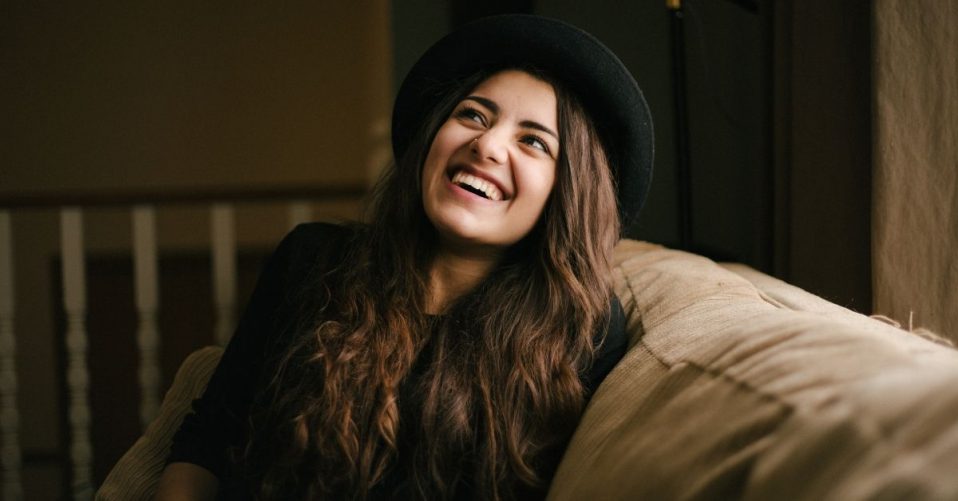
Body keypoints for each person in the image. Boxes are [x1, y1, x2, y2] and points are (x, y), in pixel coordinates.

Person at [155, 14, 653, 501]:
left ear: (566, 193)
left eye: (533, 141)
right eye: (473, 114)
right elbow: (211, 436)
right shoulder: (311, 261)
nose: (488, 145)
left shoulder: (583, 328)